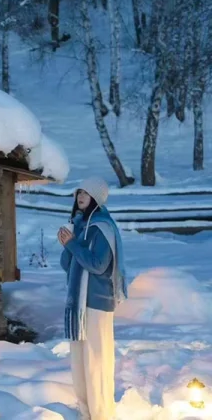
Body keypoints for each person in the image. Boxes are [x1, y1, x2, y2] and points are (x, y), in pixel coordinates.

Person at [58, 176, 128, 420]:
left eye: (85, 194)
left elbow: (98, 265)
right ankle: (85, 411)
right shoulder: (80, 226)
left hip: (97, 303)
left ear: (96, 198)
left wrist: (74, 244)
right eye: (79, 193)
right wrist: (69, 244)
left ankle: (102, 415)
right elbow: (68, 265)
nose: (80, 197)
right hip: (78, 303)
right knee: (79, 361)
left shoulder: (102, 228)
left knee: (96, 362)